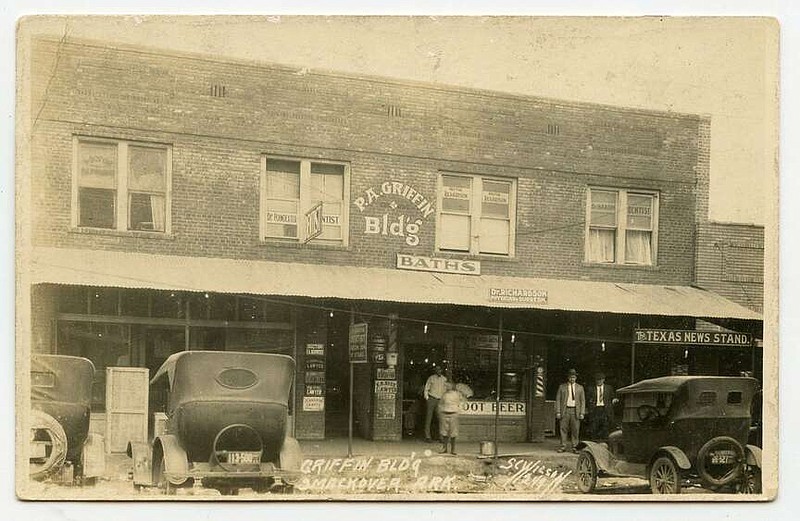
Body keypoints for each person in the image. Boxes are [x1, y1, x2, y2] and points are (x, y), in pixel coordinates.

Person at [554, 368, 585, 453]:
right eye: (571, 377)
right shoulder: (562, 387)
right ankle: (563, 446)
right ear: (568, 377)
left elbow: (583, 401)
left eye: (574, 377)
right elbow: (558, 400)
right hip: (565, 410)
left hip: (575, 411)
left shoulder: (580, 388)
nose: (572, 379)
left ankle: (575, 447)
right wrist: (558, 412)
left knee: (575, 429)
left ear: (576, 378)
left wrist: (582, 412)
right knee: (563, 429)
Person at [438, 380, 466, 455]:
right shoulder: (443, 395)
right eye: (445, 386)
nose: (446, 387)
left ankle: (453, 449)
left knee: (453, 432)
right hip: (444, 413)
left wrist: (458, 411)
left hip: (454, 414)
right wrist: (440, 412)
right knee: (444, 432)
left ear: (452, 386)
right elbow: (440, 404)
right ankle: (444, 448)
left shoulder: (457, 394)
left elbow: (462, 402)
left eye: (448, 385)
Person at [587, 371, 617, 440]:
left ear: (604, 380)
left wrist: (614, 399)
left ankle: (605, 443)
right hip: (595, 409)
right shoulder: (591, 388)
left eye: (600, 379)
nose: (599, 381)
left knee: (605, 427)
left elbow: (613, 396)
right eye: (597, 380)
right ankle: (594, 443)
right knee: (594, 427)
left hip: (605, 409)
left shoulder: (609, 388)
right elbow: (588, 399)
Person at [423, 365, 448, 442]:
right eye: (437, 369)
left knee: (440, 418)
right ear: (435, 370)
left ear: (442, 370)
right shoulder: (431, 378)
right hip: (432, 398)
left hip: (440, 400)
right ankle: (427, 436)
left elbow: (445, 390)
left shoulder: (444, 379)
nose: (438, 371)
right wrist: (427, 398)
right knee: (429, 418)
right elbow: (426, 388)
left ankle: (441, 437)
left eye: (440, 369)